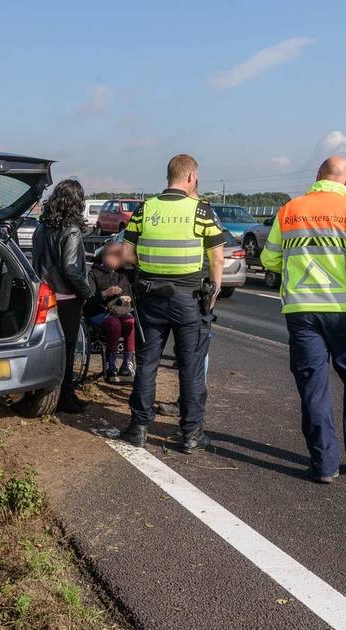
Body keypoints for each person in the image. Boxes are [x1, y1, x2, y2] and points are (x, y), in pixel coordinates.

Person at [259, 156, 346, 484]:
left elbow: (270, 257)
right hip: (343, 313)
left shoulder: (290, 210)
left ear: (317, 177)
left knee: (313, 386)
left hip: (301, 313)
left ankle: (325, 465)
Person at [118, 154, 224, 453]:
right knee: (190, 367)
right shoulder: (201, 211)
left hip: (151, 297)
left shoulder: (145, 209)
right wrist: (212, 294)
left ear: (169, 176)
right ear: (191, 177)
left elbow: (126, 254)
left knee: (148, 363)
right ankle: (191, 435)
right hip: (189, 299)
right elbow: (217, 258)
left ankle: (138, 427)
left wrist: (149, 269)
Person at [32, 179, 94, 413]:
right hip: (67, 298)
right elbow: (70, 267)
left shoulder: (42, 227)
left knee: (48, 347)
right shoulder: (72, 230)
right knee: (67, 348)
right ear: (77, 202)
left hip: (44, 294)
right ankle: (65, 396)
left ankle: (46, 392)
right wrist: (86, 292)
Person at [84, 242, 136, 383]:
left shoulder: (124, 273)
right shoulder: (94, 273)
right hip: (98, 312)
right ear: (103, 256)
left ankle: (127, 363)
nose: (117, 258)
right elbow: (88, 301)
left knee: (130, 321)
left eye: (120, 255)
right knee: (114, 324)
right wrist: (105, 294)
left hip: (121, 311)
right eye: (113, 254)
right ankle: (110, 362)